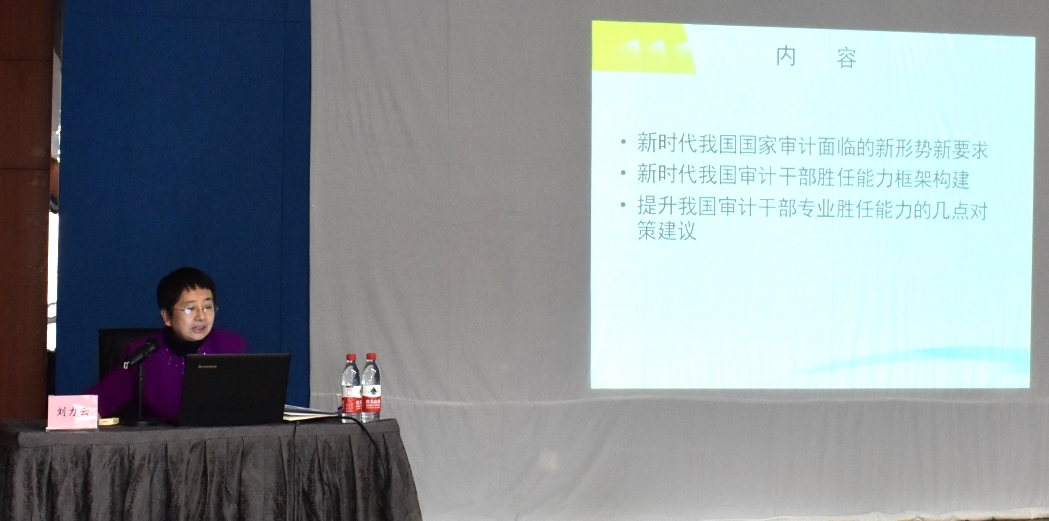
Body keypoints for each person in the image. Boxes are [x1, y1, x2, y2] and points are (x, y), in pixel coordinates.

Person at [87, 267, 247, 421]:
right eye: (190, 309)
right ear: (167, 317)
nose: (201, 317)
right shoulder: (142, 353)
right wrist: (81, 414)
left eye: (207, 307)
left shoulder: (231, 346)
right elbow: (102, 398)